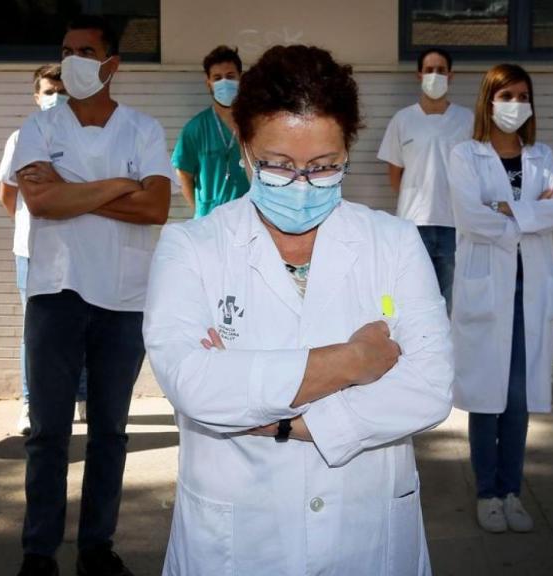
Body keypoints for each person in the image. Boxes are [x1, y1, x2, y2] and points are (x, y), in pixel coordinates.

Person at [144, 45, 453, 575]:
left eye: (325, 167)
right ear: (244, 148)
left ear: (348, 152)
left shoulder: (395, 243)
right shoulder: (190, 248)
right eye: (279, 166)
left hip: (366, 534)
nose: (303, 185)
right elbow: (195, 384)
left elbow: (430, 387)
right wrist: (354, 361)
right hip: (238, 541)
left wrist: (294, 424)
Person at [10, 15, 175, 576]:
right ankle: (39, 552)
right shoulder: (40, 126)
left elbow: (157, 208)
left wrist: (70, 189)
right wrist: (120, 186)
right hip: (56, 291)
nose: (73, 59)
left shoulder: (143, 129)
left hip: (124, 298)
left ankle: (96, 548)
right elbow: (40, 204)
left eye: (86, 50)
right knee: (48, 432)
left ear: (111, 64)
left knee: (110, 432)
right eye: (66, 50)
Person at [447, 64, 553, 534]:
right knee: (486, 395)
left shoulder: (541, 155)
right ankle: (487, 493)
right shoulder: (465, 155)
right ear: (488, 101)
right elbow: (471, 216)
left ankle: (511, 490)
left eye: (523, 95)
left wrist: (509, 209)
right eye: (506, 96)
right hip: (488, 288)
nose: (515, 104)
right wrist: (528, 216)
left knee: (518, 397)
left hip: (531, 289)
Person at [0, 64, 87, 436]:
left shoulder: (85, 138)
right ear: (36, 96)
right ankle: (30, 403)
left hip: (78, 249)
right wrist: (30, 226)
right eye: (49, 91)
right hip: (32, 252)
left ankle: (81, 397)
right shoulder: (21, 139)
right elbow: (7, 195)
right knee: (34, 333)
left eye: (62, 90)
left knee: (82, 327)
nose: (56, 98)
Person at [378, 48, 473, 313]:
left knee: (449, 302)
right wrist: (415, 202)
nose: (435, 75)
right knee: (412, 297)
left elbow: (476, 173)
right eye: (429, 70)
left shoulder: (467, 120)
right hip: (413, 225)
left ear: (451, 75)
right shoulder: (403, 119)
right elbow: (395, 173)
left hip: (454, 226)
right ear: (419, 74)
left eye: (441, 70)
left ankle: (444, 354)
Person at [172, 45, 250, 218]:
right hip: (210, 222)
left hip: (249, 219)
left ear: (241, 79)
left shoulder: (254, 124)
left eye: (230, 76)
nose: (224, 83)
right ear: (209, 83)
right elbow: (183, 173)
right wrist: (200, 211)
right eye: (217, 78)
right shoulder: (195, 129)